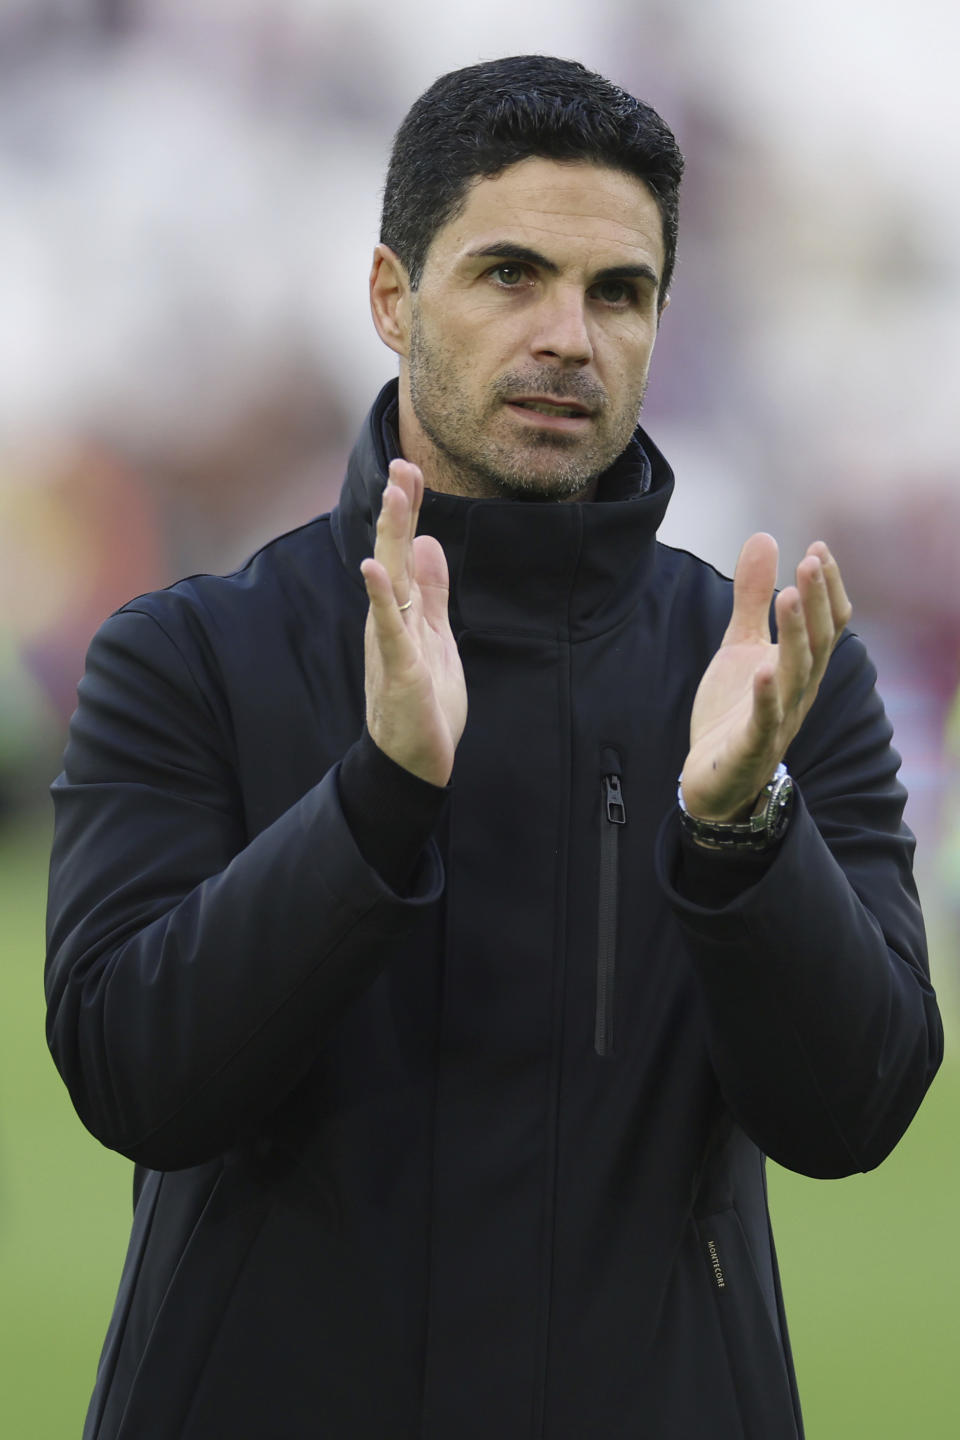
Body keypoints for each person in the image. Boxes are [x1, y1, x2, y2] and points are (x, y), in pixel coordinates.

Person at [46, 55, 942, 1440]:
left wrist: (740, 833)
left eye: (618, 292)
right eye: (511, 274)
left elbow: (857, 1113)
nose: (569, 337)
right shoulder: (190, 654)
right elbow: (134, 1075)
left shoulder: (772, 678)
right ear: (393, 296)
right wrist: (375, 801)